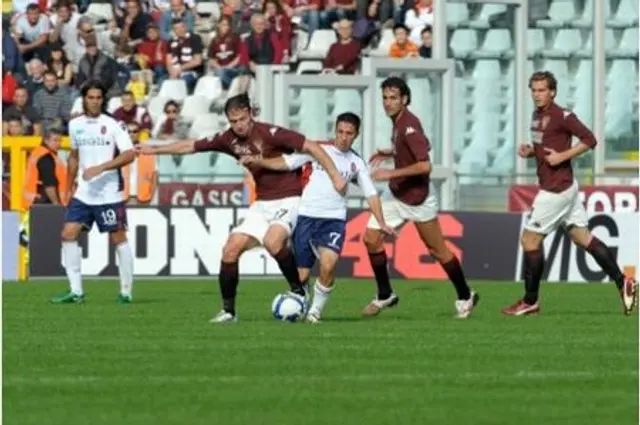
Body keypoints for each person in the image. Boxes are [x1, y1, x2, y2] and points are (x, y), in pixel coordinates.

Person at [137, 93, 347, 323]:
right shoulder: (228, 139)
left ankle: (298, 290)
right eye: (233, 121)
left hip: (289, 198)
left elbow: (312, 147)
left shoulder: (270, 133)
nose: (238, 125)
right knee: (230, 249)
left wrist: (335, 175)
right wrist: (154, 150)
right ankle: (229, 311)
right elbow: (191, 146)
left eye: (241, 119)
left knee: (273, 241)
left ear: (250, 114)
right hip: (262, 203)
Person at [502, 71, 638, 316]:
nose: (537, 94)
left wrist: (562, 157)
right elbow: (545, 147)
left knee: (530, 240)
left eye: (542, 90)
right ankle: (624, 282)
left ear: (553, 91)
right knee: (583, 238)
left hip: (556, 189)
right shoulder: (537, 116)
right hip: (565, 188)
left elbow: (590, 139)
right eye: (534, 90)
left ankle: (530, 301)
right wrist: (531, 151)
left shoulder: (562, 115)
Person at [242, 112, 394, 323]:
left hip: (333, 220)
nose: (343, 137)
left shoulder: (356, 163)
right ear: (335, 131)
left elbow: (371, 194)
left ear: (356, 135)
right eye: (340, 132)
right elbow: (287, 162)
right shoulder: (318, 150)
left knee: (329, 264)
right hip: (306, 217)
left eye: (349, 133)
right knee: (302, 277)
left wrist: (381, 222)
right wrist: (260, 161)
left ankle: (315, 312)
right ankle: (299, 303)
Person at [364, 76, 479, 319]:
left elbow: (425, 166)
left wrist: (390, 172)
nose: (388, 102)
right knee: (371, 238)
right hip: (396, 193)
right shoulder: (399, 123)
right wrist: (392, 152)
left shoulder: (409, 126)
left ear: (405, 99)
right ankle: (385, 294)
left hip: (418, 198)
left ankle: (465, 295)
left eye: (393, 98)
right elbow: (418, 149)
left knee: (438, 251)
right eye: (385, 97)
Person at [51, 81, 136, 305]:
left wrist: (102, 167)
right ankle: (76, 291)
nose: (95, 101)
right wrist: (68, 187)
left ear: (103, 99)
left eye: (99, 98)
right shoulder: (75, 124)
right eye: (91, 97)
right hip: (84, 192)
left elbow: (129, 154)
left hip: (108, 192)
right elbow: (74, 157)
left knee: (118, 238)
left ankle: (126, 292)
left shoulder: (114, 123)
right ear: (84, 99)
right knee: (68, 234)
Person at [23, 128, 68, 209]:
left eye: (60, 140)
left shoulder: (38, 153)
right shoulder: (46, 157)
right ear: (46, 141)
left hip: (36, 201)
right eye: (55, 140)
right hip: (46, 203)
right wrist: (56, 205)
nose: (59, 143)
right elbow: (49, 184)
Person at [123, 121, 158, 205]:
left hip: (144, 199)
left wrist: (152, 199)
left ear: (139, 133)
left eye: (135, 131)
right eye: (129, 131)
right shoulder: (119, 151)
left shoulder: (148, 151)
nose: (132, 134)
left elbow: (155, 177)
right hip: (123, 199)